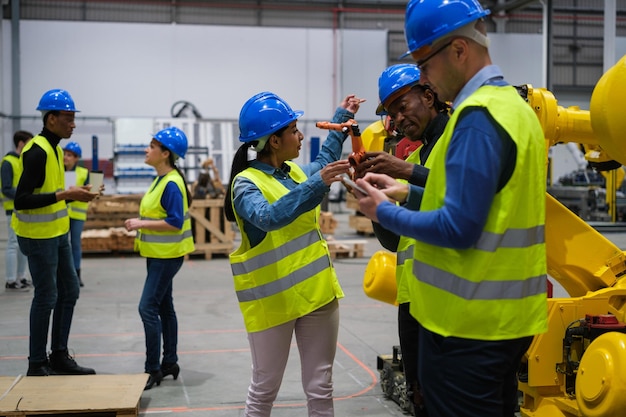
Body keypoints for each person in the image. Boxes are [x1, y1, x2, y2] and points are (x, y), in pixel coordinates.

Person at [354, 0, 548, 416]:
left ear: (459, 50)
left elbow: (459, 227)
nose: (423, 78)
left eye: (424, 64)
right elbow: (482, 200)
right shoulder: (514, 110)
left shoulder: (476, 118)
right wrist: (404, 190)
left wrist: (380, 210)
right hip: (504, 322)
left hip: (466, 327)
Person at [225, 91, 364, 417]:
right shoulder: (245, 185)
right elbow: (269, 216)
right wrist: (319, 184)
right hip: (273, 306)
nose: (301, 136)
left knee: (320, 388)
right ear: (274, 141)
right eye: (294, 131)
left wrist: (341, 115)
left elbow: (325, 158)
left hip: (318, 296)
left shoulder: (296, 173)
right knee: (264, 390)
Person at [354, 63, 449, 417]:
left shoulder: (457, 140)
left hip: (449, 300)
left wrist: (402, 172)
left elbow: (455, 190)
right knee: (419, 397)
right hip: (413, 297)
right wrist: (375, 203)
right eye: (391, 113)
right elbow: (396, 242)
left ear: (429, 95)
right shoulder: (416, 155)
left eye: (402, 106)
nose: (397, 119)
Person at [13, 89, 98, 376]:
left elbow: (52, 193)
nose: (73, 124)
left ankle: (59, 354)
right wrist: (65, 194)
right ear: (51, 119)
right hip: (38, 237)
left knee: (69, 290)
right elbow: (21, 199)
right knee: (47, 296)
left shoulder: (56, 149)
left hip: (57, 232)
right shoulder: (36, 151)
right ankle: (36, 362)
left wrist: (77, 194)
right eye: (68, 118)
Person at [124, 126, 194, 390]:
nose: (147, 150)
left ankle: (152, 369)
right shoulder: (163, 179)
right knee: (164, 308)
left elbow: (175, 222)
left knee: (147, 308)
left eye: (152, 146)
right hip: (157, 254)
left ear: (165, 154)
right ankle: (170, 363)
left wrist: (140, 224)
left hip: (167, 256)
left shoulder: (172, 184)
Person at [2, 130, 33, 292]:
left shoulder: (23, 161)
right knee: (13, 244)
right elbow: (6, 188)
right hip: (12, 209)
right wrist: (24, 196)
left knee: (22, 244)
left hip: (23, 209)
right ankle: (10, 280)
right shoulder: (8, 162)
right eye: (29, 142)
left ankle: (21, 276)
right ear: (21, 143)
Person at [63, 141, 88, 287]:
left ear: (76, 158)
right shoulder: (58, 171)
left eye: (69, 155)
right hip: (62, 214)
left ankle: (76, 275)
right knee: (62, 245)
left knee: (75, 244)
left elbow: (94, 191)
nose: (66, 157)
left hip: (77, 214)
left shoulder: (84, 173)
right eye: (65, 154)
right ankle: (64, 274)